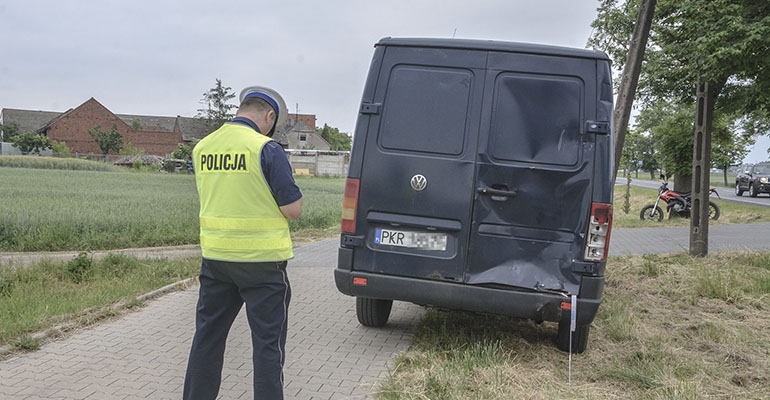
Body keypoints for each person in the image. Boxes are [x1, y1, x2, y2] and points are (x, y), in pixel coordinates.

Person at [183, 86, 302, 400]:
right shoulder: (266, 149)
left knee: (207, 339)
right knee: (267, 347)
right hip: (262, 265)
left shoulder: (203, 148)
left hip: (216, 261)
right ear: (269, 116)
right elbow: (293, 209)